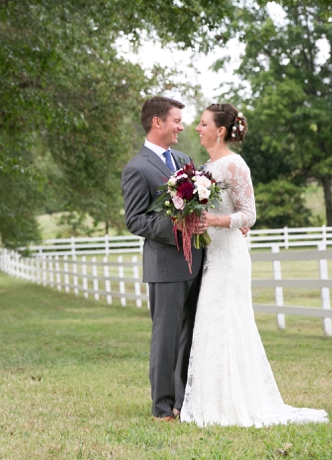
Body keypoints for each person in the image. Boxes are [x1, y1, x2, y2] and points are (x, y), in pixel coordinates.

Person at [180, 103, 328, 427]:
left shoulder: (235, 165)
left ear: (220, 130)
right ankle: (211, 400)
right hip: (211, 256)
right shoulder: (205, 168)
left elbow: (250, 214)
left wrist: (215, 220)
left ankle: (235, 404)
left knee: (228, 321)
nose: (197, 128)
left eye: (203, 123)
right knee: (210, 322)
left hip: (230, 258)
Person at [121, 96, 206, 422]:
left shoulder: (185, 159)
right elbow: (135, 220)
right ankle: (161, 408)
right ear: (157, 122)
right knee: (166, 338)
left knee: (191, 336)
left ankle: (183, 403)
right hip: (166, 265)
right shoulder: (137, 168)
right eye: (176, 120)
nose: (181, 126)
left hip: (196, 261)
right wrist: (177, 228)